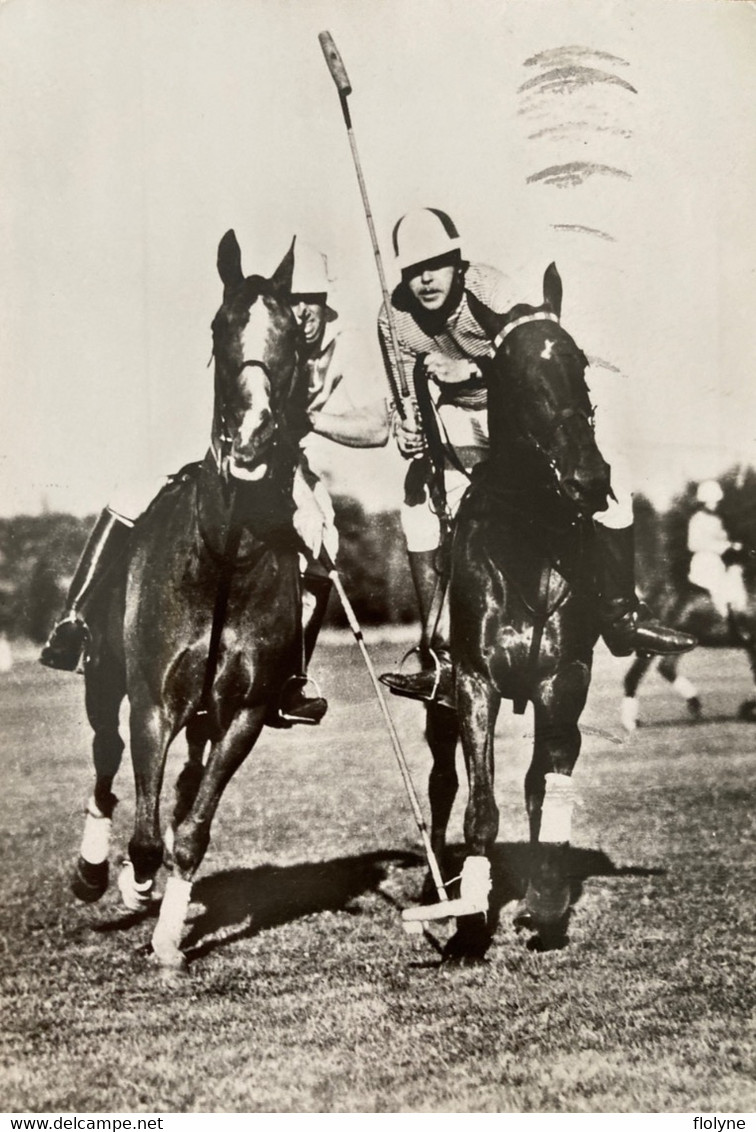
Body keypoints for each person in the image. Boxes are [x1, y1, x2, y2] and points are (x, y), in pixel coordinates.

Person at [40, 240, 389, 724]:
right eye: (296, 300)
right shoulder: (261, 325)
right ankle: (74, 619)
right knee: (129, 494)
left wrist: (308, 420)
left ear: (328, 305)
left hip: (288, 465)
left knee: (323, 536)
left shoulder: (343, 343)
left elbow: (378, 428)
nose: (304, 312)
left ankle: (292, 678)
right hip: (220, 449)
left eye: (315, 301)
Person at [377, 207, 696, 706]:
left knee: (611, 475)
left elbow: (535, 368)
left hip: (525, 413)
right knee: (416, 504)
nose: (424, 279)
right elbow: (407, 401)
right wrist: (409, 431)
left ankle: (622, 613)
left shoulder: (496, 293)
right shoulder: (392, 319)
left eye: (435, 265)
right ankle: (436, 650)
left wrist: (469, 369)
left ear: (458, 263)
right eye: (413, 270)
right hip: (455, 422)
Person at [687, 479, 748, 619]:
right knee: (718, 586)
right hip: (704, 562)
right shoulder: (697, 520)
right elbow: (693, 544)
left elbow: (722, 540)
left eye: (716, 501)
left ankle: (738, 617)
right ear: (704, 501)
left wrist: (731, 545)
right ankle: (727, 618)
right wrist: (722, 546)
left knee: (735, 576)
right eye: (711, 501)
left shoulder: (717, 520)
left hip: (718, 561)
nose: (715, 504)